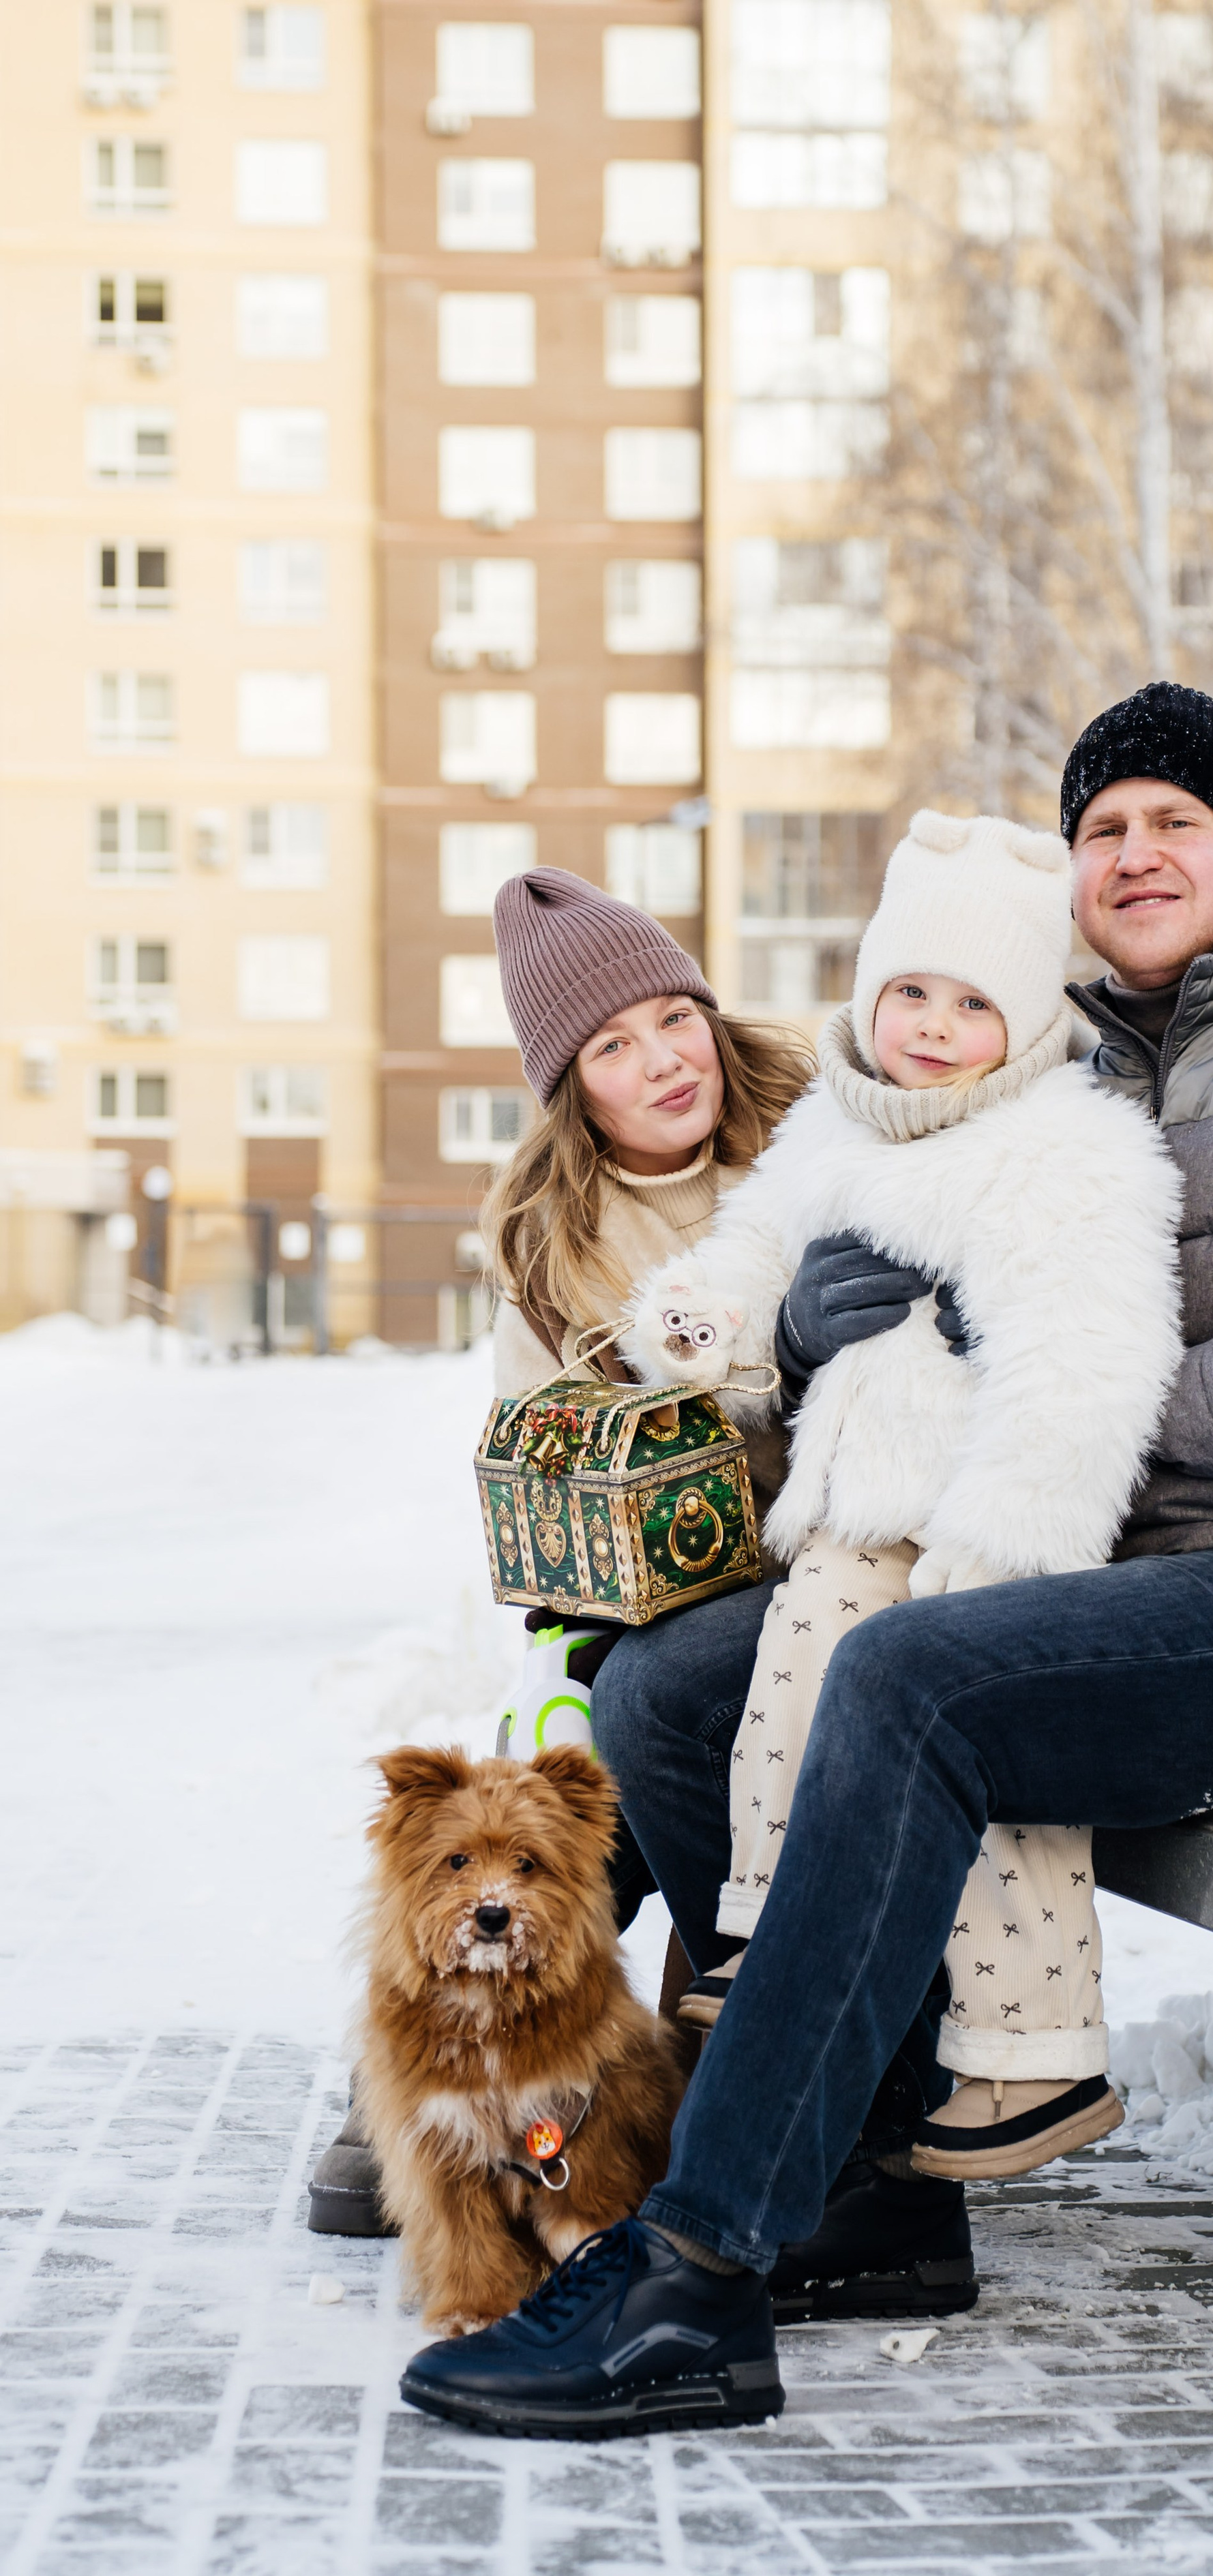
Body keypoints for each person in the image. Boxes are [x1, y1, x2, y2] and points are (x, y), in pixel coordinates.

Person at [396, 682, 1213, 2444]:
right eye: (1102, 827)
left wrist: (1049, 1405)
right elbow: (891, 1325)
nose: (1133, 851)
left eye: (1175, 822)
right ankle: (871, 2184)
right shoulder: (1047, 1056)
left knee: (906, 1674)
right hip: (1095, 1577)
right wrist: (816, 1337)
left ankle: (695, 2267)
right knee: (668, 1692)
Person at [625, 808, 1184, 2179]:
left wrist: (1008, 1547)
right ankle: (767, 1926)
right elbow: (752, 1247)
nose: (933, 1026)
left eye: (973, 1003)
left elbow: (1087, 1370)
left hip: (983, 1517)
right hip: (858, 1499)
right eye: (911, 991)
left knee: (970, 1735)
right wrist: (712, 1324)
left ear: (1026, 1019)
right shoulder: (832, 1127)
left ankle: (1035, 2051)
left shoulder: (1063, 1149)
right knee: (794, 1674)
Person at [306, 866, 810, 2237]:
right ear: (570, 1088)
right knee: (553, 1781)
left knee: (652, 1709)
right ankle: (448, 2066)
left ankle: (725, 2057)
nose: (665, 1062)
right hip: (663, 1587)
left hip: (828, 1552)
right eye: (614, 1046)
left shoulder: (812, 1141)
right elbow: (548, 1465)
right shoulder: (550, 1242)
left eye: (675, 1018)